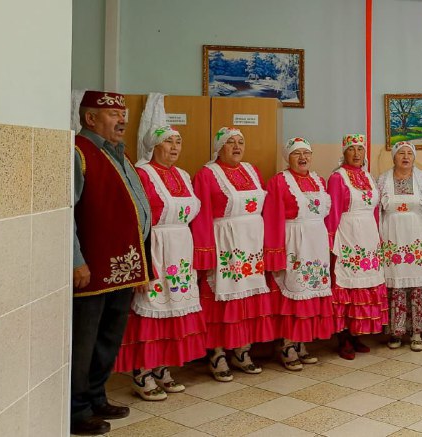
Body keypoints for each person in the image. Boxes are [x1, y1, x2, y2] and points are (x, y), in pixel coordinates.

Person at [71, 91, 153, 435]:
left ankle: (96, 396)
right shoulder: (78, 152)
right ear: (90, 118)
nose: (122, 119)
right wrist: (76, 259)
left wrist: (144, 265)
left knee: (108, 338)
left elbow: (138, 211)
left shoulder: (121, 155)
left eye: (123, 113)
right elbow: (64, 211)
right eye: (113, 114)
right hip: (92, 270)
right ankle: (76, 410)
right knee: (84, 341)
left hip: (125, 268)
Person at [113, 125, 207, 400]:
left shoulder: (183, 175)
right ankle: (142, 372)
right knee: (151, 307)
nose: (175, 146)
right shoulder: (142, 173)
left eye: (178, 141)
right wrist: (141, 264)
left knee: (173, 308)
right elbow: (134, 218)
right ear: (154, 146)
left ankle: (161, 366)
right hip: (155, 246)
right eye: (168, 141)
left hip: (181, 248)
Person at [190, 128, 277, 382]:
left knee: (248, 297)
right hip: (224, 244)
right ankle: (217, 354)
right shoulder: (207, 174)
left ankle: (242, 350)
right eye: (230, 142)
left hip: (252, 244)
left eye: (240, 142)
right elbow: (202, 216)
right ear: (219, 147)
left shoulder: (252, 170)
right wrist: (205, 251)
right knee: (221, 297)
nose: (237, 146)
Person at [265, 137, 336, 370]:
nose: (303, 158)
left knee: (310, 293)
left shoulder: (319, 180)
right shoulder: (278, 182)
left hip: (316, 243)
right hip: (294, 242)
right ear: (288, 157)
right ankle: (287, 344)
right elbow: (272, 219)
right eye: (297, 154)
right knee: (293, 292)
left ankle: (301, 342)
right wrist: (275, 252)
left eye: (306, 153)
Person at [326, 134, 388, 360]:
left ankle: (356, 333)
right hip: (347, 235)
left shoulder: (369, 177)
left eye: (360, 149)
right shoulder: (337, 178)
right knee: (347, 286)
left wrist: (378, 237)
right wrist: (330, 239)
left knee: (365, 284)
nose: (356, 153)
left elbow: (375, 210)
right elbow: (333, 211)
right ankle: (343, 337)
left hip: (368, 236)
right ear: (344, 153)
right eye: (351, 149)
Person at [378, 141, 422, 351]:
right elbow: (376, 213)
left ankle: (416, 332)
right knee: (395, 285)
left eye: (409, 153)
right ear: (394, 157)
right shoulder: (382, 180)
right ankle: (395, 332)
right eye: (401, 153)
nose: (405, 157)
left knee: (417, 285)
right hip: (392, 243)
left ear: (414, 157)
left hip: (417, 242)